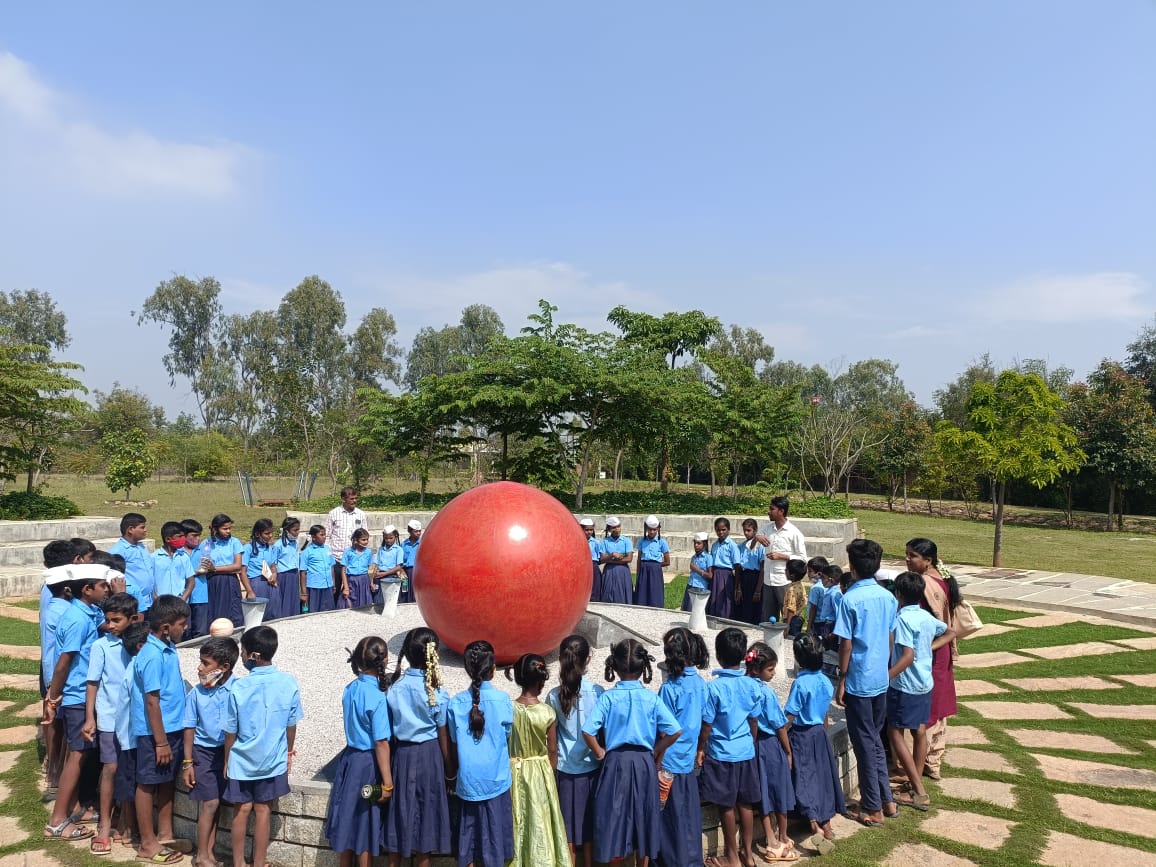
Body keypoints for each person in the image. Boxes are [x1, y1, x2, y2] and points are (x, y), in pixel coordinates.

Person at [582, 639, 681, 867]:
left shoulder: (608, 698)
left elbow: (588, 731)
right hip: (644, 763)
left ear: (614, 667)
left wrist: (600, 752)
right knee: (644, 816)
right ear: (643, 666)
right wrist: (657, 749)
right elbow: (675, 731)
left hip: (615, 763)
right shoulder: (651, 698)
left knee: (614, 819)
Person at [42, 564, 111, 843]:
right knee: (77, 756)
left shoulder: (87, 613)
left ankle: (73, 810)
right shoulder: (78, 620)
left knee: (81, 754)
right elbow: (64, 662)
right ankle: (57, 822)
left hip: (80, 695)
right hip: (76, 696)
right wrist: (52, 699)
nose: (106, 589)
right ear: (87, 589)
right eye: (103, 586)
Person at [223, 626, 303, 867]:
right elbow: (291, 725)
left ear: (253, 655)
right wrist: (288, 752)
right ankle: (259, 862)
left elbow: (231, 731)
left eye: (243, 651)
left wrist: (227, 760)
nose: (242, 656)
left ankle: (238, 863)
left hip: (241, 761)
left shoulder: (238, 687)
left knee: (241, 810)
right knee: (263, 810)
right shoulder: (289, 682)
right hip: (272, 759)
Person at [834, 539, 899, 827]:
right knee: (874, 740)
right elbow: (890, 637)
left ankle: (873, 808)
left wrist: (842, 678)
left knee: (864, 744)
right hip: (880, 678)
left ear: (852, 566)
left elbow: (846, 644)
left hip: (859, 680)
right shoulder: (887, 597)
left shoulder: (850, 599)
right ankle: (887, 800)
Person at [887, 571, 955, 811]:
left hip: (905, 684)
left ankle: (919, 791)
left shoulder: (902, 619)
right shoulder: (925, 616)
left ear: (898, 594)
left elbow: (907, 656)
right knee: (919, 730)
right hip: (924, 682)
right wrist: (930, 646)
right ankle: (914, 781)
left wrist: (886, 677)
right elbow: (950, 632)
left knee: (894, 731)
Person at [384, 627, 452, 867]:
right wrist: (450, 771)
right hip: (430, 755)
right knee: (427, 818)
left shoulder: (394, 689)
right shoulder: (438, 692)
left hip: (402, 755)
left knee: (398, 813)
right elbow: (443, 733)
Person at [324, 636, 394, 867]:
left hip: (350, 760)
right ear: (384, 660)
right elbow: (381, 742)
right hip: (369, 766)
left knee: (347, 819)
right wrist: (387, 783)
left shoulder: (350, 688)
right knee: (364, 822)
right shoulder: (377, 697)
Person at [133, 594, 191, 864]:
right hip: (155, 733)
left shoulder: (168, 648)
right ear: (166, 627)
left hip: (173, 728)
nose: (186, 628)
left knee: (166, 779)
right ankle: (147, 844)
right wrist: (160, 742)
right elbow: (151, 701)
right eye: (182, 624)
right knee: (147, 783)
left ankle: (164, 833)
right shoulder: (152, 656)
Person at [446, 640, 515, 867]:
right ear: (493, 669)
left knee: (469, 843)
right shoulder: (503, 700)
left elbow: (454, 742)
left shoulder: (455, 703)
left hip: (468, 782)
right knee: (495, 840)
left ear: (467, 669)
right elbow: (506, 735)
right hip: (496, 780)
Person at [696, 627, 760, 867]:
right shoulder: (752, 685)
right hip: (745, 750)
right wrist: (751, 742)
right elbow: (754, 720)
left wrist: (700, 748)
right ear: (743, 656)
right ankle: (748, 854)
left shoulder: (713, 688)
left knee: (726, 805)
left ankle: (732, 856)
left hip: (722, 753)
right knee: (745, 803)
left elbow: (707, 725)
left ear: (718, 655)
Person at [82, 591, 139, 855]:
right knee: (111, 767)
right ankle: (104, 825)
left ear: (133, 619)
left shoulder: (140, 645)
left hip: (134, 719)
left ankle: (126, 822)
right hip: (108, 717)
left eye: (116, 620)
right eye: (108, 620)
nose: (110, 625)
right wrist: (90, 717)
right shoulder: (101, 646)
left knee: (129, 769)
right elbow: (92, 683)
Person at [905, 537, 960, 782]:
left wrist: (924, 647)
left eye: (912, 555)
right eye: (907, 554)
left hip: (932, 652)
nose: (907, 559)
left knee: (928, 707)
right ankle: (933, 761)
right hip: (940, 649)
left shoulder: (925, 584)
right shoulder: (941, 577)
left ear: (928, 561)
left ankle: (918, 763)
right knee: (938, 706)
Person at [545, 634, 603, 867]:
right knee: (587, 827)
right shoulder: (598, 692)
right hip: (591, 767)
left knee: (567, 827)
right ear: (588, 659)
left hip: (566, 768)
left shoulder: (553, 696)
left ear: (561, 659)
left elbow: (551, 737)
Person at [505, 654, 568, 867]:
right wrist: (551, 771)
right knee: (540, 819)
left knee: (517, 819)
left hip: (513, 768)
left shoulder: (509, 708)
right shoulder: (547, 712)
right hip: (540, 770)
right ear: (541, 682)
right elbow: (552, 749)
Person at [785, 634, 845, 855]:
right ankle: (827, 825)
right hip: (819, 734)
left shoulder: (800, 684)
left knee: (804, 778)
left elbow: (790, 716)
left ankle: (813, 824)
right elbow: (825, 714)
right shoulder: (825, 681)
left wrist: (779, 734)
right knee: (821, 778)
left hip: (801, 736)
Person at [181, 636, 239, 867]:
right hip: (203, 753)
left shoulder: (238, 689)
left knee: (217, 804)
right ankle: (201, 855)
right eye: (201, 661)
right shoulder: (196, 693)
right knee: (210, 802)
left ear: (223, 667)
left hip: (228, 753)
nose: (199, 668)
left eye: (206, 663)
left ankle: (209, 853)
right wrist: (188, 762)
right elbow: (189, 727)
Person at [656, 628, 709, 867]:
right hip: (688, 762)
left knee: (669, 819)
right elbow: (706, 720)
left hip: (668, 763)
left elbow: (664, 730)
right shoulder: (700, 684)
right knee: (688, 815)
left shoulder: (669, 689)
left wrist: (656, 760)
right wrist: (700, 748)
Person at [744, 642, 796, 864]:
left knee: (763, 792)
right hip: (771, 745)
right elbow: (779, 725)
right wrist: (788, 750)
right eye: (770, 669)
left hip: (753, 746)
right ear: (757, 669)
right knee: (780, 790)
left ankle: (770, 837)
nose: (773, 673)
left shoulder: (742, 686)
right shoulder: (766, 693)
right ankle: (781, 837)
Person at [115, 622, 151, 849]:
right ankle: (128, 829)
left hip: (131, 734)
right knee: (130, 784)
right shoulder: (136, 669)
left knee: (131, 782)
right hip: (130, 736)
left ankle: (127, 827)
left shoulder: (134, 666)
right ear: (140, 646)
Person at [756, 497, 808, 624]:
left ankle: (787, 635)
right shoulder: (767, 528)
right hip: (768, 580)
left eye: (772, 509)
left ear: (781, 511)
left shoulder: (794, 533)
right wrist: (759, 537)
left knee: (787, 617)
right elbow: (758, 533)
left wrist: (782, 556)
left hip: (784, 580)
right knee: (768, 618)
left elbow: (803, 558)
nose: (768, 511)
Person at [201, 515, 249, 629]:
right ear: (215, 529)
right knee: (214, 612)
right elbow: (203, 565)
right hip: (212, 582)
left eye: (229, 528)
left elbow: (237, 566)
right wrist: (211, 569)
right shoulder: (206, 543)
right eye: (225, 529)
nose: (228, 531)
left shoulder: (234, 542)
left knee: (233, 613)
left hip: (230, 581)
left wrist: (215, 569)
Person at [326, 487, 367, 606]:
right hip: (337, 558)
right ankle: (334, 611)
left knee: (352, 590)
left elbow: (364, 534)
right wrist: (329, 555)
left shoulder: (361, 514)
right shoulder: (334, 513)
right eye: (351, 498)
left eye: (355, 498)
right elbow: (327, 535)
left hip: (354, 560)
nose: (354, 501)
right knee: (336, 588)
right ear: (343, 499)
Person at [110, 514, 154, 615]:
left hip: (149, 601)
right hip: (134, 602)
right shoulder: (118, 551)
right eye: (142, 527)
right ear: (130, 529)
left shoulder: (141, 547)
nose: (145, 530)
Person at [242, 519, 278, 620]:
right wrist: (250, 591)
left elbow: (273, 566)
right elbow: (243, 572)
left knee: (272, 612)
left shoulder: (269, 548)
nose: (270, 535)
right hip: (256, 583)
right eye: (267, 533)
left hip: (270, 582)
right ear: (257, 534)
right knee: (257, 615)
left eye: (271, 533)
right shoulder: (248, 548)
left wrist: (274, 574)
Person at [180, 520, 210, 639]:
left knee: (200, 631)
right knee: (184, 631)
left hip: (200, 595)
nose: (198, 539)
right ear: (184, 535)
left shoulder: (202, 550)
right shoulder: (178, 553)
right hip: (183, 596)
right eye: (194, 535)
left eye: (199, 535)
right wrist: (194, 573)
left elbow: (209, 566)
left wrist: (209, 568)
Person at [634, 515, 669, 608]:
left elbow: (667, 561)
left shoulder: (662, 542)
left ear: (658, 529)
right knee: (642, 592)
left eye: (654, 529)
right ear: (646, 528)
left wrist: (656, 566)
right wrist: (638, 574)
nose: (652, 532)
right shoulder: (642, 541)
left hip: (655, 570)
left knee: (655, 592)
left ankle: (656, 609)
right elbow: (639, 559)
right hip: (643, 569)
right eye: (650, 529)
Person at [708, 518, 740, 620]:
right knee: (714, 598)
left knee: (725, 598)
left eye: (723, 530)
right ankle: (713, 618)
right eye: (718, 530)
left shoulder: (732, 546)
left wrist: (737, 586)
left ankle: (725, 620)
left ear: (728, 530)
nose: (721, 532)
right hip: (715, 574)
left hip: (726, 575)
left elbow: (737, 566)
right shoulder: (715, 545)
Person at [153, 523, 194, 602]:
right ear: (168, 539)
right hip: (161, 603)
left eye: (183, 536)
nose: (183, 539)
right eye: (179, 536)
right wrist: (157, 601)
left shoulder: (184, 556)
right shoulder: (154, 558)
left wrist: (183, 598)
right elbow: (150, 584)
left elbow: (191, 581)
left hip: (180, 602)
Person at [736, 519, 765, 625]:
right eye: (744, 530)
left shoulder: (760, 547)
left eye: (749, 530)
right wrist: (738, 587)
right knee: (744, 607)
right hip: (744, 577)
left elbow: (763, 569)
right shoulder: (741, 547)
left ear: (755, 530)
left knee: (755, 608)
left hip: (755, 578)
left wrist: (758, 590)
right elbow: (738, 568)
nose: (746, 533)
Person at [598, 518, 634, 604]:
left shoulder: (626, 541)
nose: (617, 529)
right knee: (608, 593)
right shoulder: (605, 542)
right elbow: (602, 559)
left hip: (623, 571)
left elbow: (629, 558)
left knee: (623, 592)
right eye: (614, 527)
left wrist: (610, 560)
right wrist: (612, 555)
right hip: (609, 572)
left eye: (618, 526)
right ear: (609, 529)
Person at [272, 518, 302, 620]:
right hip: (283, 575)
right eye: (295, 530)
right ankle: (284, 617)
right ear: (287, 530)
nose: (297, 532)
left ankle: (294, 617)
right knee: (284, 598)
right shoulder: (278, 545)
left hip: (294, 573)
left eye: (298, 530)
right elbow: (274, 562)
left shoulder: (295, 543)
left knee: (293, 597)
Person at [300, 526, 335, 613]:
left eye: (325, 534)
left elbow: (331, 567)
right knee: (314, 611)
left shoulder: (328, 549)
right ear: (313, 537)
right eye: (321, 535)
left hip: (328, 586)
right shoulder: (307, 552)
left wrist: (333, 584)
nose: (324, 537)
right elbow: (303, 573)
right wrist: (304, 593)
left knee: (328, 611)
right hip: (314, 587)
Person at [342, 528, 374, 608]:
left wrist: (371, 582)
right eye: (363, 540)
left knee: (364, 604)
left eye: (367, 539)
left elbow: (370, 568)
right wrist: (346, 587)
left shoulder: (368, 552)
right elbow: (343, 570)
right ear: (356, 540)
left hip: (364, 581)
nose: (366, 542)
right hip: (351, 581)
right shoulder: (348, 552)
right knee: (350, 603)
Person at [373, 525, 405, 606]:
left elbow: (399, 567)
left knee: (391, 601)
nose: (388, 540)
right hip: (380, 577)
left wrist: (384, 574)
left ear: (395, 536)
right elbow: (376, 564)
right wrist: (374, 574)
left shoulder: (398, 550)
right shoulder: (381, 549)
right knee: (380, 601)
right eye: (386, 538)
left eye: (391, 538)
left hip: (393, 577)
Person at [681, 531, 713, 611]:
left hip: (700, 587)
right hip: (691, 584)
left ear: (704, 544)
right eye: (695, 543)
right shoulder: (694, 557)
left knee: (696, 610)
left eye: (699, 543)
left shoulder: (708, 557)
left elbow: (710, 575)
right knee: (687, 609)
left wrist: (697, 570)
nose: (696, 545)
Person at [812, 564, 844, 643]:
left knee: (829, 644)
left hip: (831, 625)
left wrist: (834, 632)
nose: (821, 579)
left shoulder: (835, 594)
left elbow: (839, 614)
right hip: (825, 624)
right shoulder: (829, 591)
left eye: (823, 577)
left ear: (831, 580)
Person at [781, 559, 810, 639]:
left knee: (790, 639)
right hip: (799, 618)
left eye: (786, 570)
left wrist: (787, 625)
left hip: (792, 620)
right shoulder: (800, 584)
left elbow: (791, 609)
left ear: (792, 575)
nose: (785, 571)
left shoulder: (792, 589)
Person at [578, 518, 602, 602]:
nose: (589, 532)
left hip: (593, 566)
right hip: (581, 566)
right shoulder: (577, 541)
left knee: (594, 586)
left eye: (591, 530)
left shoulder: (596, 543)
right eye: (587, 530)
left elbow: (600, 557)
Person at [400, 519, 422, 604]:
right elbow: (401, 561)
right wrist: (401, 572)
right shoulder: (404, 544)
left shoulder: (422, 543)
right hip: (405, 572)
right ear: (409, 531)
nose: (418, 533)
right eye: (416, 531)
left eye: (419, 531)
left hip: (417, 571)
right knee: (405, 591)